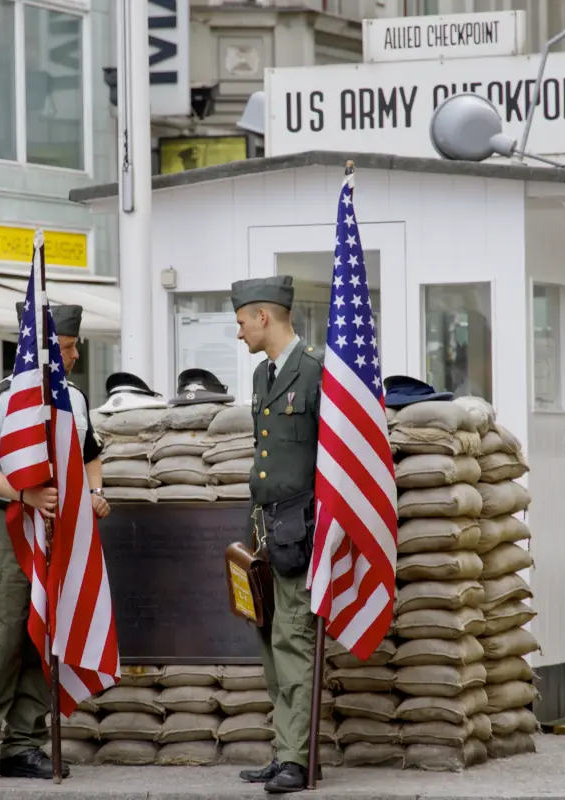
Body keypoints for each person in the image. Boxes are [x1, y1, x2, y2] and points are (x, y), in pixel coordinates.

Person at [0, 303, 111, 786]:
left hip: (60, 531)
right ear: (40, 350)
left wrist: (96, 493)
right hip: (11, 526)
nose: (74, 355)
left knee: (45, 640)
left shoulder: (73, 399)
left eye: (75, 347)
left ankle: (23, 744)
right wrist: (25, 493)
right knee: (0, 640)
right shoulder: (0, 400)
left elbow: (90, 453)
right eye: (66, 347)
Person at [231, 275, 324, 795]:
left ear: (264, 316)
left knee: (293, 638)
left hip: (302, 527)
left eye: (242, 321)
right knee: (270, 640)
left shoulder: (315, 372)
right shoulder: (265, 376)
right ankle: (285, 748)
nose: (239, 331)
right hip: (267, 525)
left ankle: (296, 757)